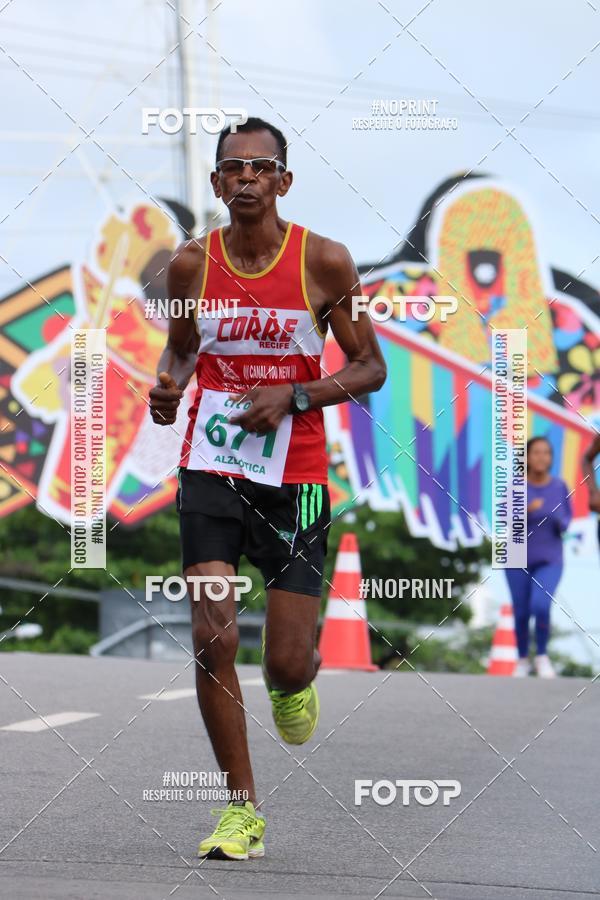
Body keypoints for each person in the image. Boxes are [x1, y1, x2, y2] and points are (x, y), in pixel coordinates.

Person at [148, 117, 386, 860]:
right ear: (217, 183)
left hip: (296, 476)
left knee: (285, 660)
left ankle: (291, 681)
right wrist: (167, 388)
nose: (246, 178)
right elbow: (181, 351)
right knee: (211, 634)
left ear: (284, 180)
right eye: (233, 168)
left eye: (260, 167)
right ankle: (240, 810)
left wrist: (297, 395)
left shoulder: (324, 261)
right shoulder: (191, 266)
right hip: (212, 467)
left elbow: (371, 367)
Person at [506, 437, 572, 678]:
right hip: (517, 557)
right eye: (536, 452)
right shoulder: (515, 487)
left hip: (549, 559)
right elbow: (507, 520)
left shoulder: (559, 487)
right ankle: (523, 659)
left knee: (540, 605)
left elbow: (567, 520)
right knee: (521, 611)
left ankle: (542, 656)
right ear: (526, 458)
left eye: (546, 453)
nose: (542, 457)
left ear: (551, 458)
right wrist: (527, 511)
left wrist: (558, 520)